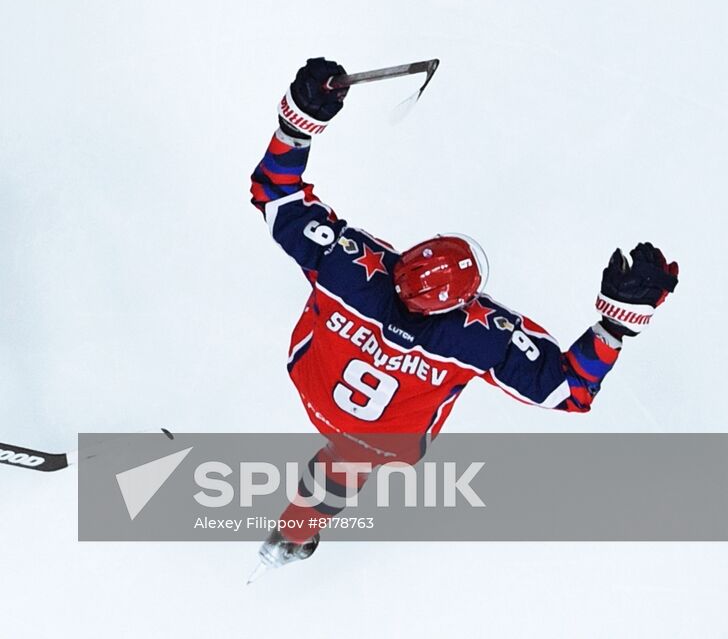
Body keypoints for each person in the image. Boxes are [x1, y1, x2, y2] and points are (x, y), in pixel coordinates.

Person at [248, 57, 679, 568]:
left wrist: (299, 121)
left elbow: (275, 193)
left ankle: (295, 532)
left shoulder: (347, 264)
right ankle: (291, 539)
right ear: (461, 304)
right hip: (387, 439)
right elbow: (569, 390)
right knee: (358, 453)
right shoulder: (479, 338)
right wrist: (616, 321)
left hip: (314, 389)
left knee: (347, 446)